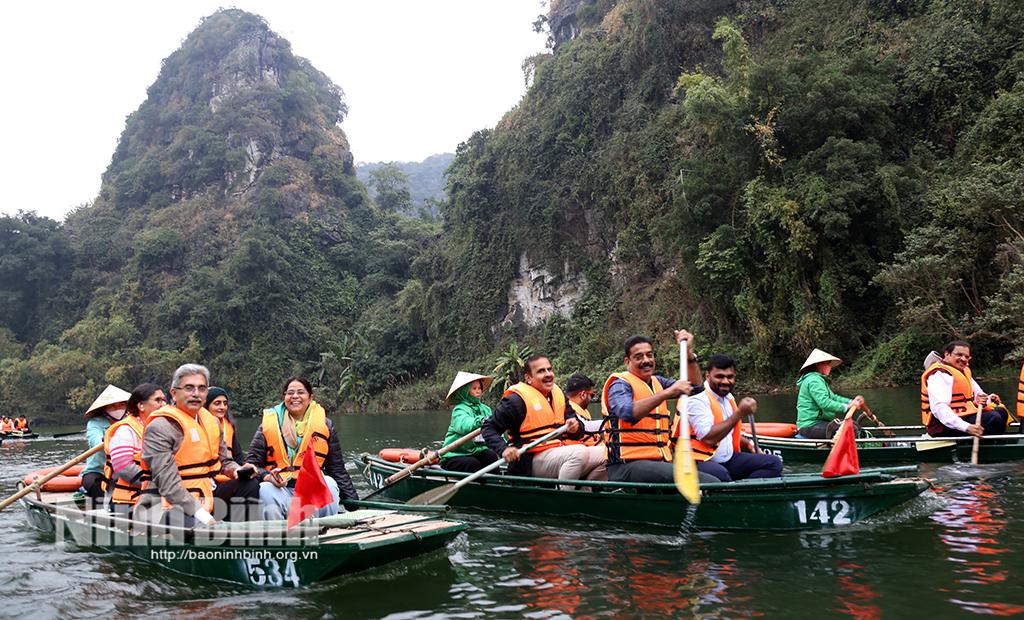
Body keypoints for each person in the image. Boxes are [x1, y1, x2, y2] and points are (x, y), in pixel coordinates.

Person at [136, 364, 250, 526]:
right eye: (189, 388)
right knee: (197, 524)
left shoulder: (212, 421)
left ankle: (242, 534)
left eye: (202, 388)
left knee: (249, 485)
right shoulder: (160, 427)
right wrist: (203, 516)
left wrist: (237, 470)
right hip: (166, 505)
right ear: (174, 394)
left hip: (206, 496)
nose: (196, 394)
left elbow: (225, 461)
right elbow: (168, 485)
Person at [481, 355, 607, 487]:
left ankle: (585, 492)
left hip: (558, 451)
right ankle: (564, 496)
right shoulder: (515, 401)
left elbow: (578, 430)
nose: (548, 374)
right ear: (528, 378)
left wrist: (575, 428)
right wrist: (504, 449)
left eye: (549, 369)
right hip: (528, 461)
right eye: (541, 371)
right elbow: (489, 428)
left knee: (608, 453)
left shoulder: (558, 396)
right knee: (578, 452)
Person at [246, 376, 358, 520]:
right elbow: (251, 464)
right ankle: (279, 535)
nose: (295, 397)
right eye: (290, 393)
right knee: (265, 489)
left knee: (329, 482)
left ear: (310, 397)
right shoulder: (267, 426)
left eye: (301, 392)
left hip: (310, 489)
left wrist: (354, 506)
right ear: (284, 397)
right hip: (281, 489)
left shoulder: (326, 425)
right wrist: (268, 477)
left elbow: (337, 469)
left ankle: (324, 529)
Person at [600, 331, 704, 483]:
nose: (646, 360)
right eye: (639, 357)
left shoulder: (657, 382)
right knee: (700, 480)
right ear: (627, 361)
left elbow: (695, 387)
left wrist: (688, 354)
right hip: (625, 466)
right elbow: (627, 412)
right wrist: (667, 393)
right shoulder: (619, 385)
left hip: (658, 461)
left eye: (650, 355)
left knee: (712, 478)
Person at [673, 354, 783, 481]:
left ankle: (744, 493)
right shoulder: (697, 398)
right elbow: (708, 438)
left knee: (773, 464)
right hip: (697, 460)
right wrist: (740, 413)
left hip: (726, 460)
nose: (725, 381)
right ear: (708, 376)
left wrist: (749, 443)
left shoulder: (728, 398)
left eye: (730, 377)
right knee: (721, 475)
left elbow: (728, 433)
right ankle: (733, 491)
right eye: (720, 376)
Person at [921, 340, 1009, 437]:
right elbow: (939, 408)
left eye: (967, 356)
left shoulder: (962, 371)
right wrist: (966, 427)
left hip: (963, 416)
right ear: (947, 354)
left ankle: (996, 444)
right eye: (959, 355)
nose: (963, 359)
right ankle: (986, 448)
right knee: (993, 418)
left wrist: (987, 399)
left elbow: (977, 395)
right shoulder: (939, 374)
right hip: (943, 425)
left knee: (1001, 411)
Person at [102, 383, 166, 511]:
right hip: (128, 500)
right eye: (158, 400)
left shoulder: (162, 428)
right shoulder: (125, 430)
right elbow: (123, 467)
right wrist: (160, 486)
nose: (163, 404)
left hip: (160, 494)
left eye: (164, 400)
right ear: (141, 406)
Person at [438, 372, 501, 473]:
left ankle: (495, 483)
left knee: (491, 456)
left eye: (479, 388)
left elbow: (494, 429)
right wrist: (480, 421)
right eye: (474, 388)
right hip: (455, 454)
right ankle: (476, 487)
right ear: (465, 391)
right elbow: (464, 425)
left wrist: (504, 445)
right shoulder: (459, 410)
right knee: (472, 464)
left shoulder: (486, 409)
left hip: (476, 452)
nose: (478, 391)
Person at [795, 349, 865, 439]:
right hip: (810, 425)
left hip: (821, 423)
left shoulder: (819, 379)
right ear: (818, 365)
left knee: (855, 426)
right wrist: (847, 406)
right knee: (850, 429)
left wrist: (852, 402)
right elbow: (824, 403)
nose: (829, 366)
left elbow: (834, 398)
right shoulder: (813, 380)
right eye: (827, 363)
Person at [82, 385, 132, 503]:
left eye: (121, 405)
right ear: (105, 409)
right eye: (113, 406)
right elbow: (95, 441)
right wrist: (109, 441)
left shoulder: (131, 422)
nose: (118, 408)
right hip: (99, 472)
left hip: (124, 471)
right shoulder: (95, 424)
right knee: (94, 485)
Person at [563, 374, 604, 448]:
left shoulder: (581, 411)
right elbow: (586, 426)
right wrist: (611, 423)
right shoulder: (568, 411)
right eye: (592, 395)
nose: (591, 399)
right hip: (580, 449)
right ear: (583, 395)